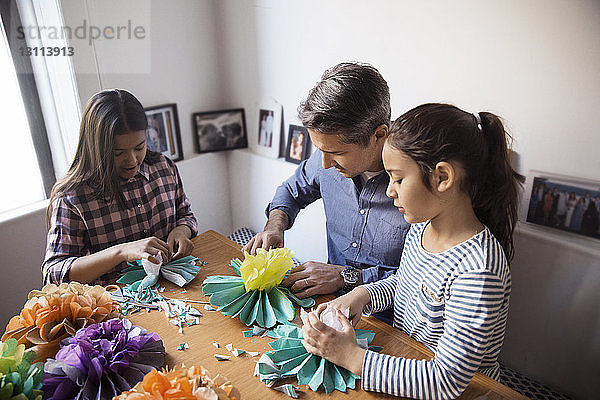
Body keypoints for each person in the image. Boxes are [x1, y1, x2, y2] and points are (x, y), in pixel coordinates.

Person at [301, 103, 524, 399]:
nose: (390, 190)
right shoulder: (421, 228)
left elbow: (446, 380)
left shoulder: (478, 269)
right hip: (408, 366)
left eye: (398, 178)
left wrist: (351, 357)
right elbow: (405, 283)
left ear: (442, 178)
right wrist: (362, 295)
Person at [244, 62, 410, 308]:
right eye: (319, 149)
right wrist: (275, 227)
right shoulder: (327, 158)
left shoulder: (417, 185)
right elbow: (290, 192)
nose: (324, 164)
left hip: (393, 320)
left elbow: (420, 281)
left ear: (378, 135)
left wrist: (347, 277)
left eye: (335, 152)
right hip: (330, 306)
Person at [42, 89, 198, 286]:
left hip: (174, 288)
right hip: (116, 305)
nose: (132, 160)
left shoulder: (164, 168)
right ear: (97, 148)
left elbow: (186, 215)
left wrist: (181, 231)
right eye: (118, 153)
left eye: (140, 147)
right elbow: (54, 274)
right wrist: (121, 252)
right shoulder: (72, 197)